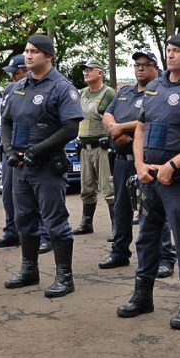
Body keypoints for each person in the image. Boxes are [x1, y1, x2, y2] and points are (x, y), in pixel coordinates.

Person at [115, 33, 180, 330]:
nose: (170, 55)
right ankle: (142, 296)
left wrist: (172, 165)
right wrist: (139, 164)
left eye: (177, 51)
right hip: (150, 177)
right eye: (169, 50)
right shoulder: (155, 86)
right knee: (147, 237)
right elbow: (141, 129)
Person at [0, 34, 84, 297]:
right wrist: (9, 148)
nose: (28, 55)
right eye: (26, 50)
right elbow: (6, 121)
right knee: (24, 219)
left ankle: (64, 278)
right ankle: (29, 270)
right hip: (20, 165)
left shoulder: (61, 87)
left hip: (47, 166)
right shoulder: (17, 87)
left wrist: (38, 149)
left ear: (48, 56)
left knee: (55, 221)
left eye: (34, 51)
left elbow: (71, 127)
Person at [98, 50, 175, 271]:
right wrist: (115, 130)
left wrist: (121, 128)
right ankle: (120, 252)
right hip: (122, 159)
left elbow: (151, 120)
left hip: (147, 161)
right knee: (121, 208)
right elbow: (107, 115)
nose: (140, 68)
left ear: (156, 69)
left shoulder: (158, 92)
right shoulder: (125, 92)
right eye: (137, 65)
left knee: (154, 210)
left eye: (145, 64)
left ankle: (164, 258)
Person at [0, 55, 51, 254]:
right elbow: (6, 120)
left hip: (31, 150)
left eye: (15, 73)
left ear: (25, 70)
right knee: (9, 195)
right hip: (9, 149)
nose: (12, 77)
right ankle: (11, 232)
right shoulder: (11, 89)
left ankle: (43, 236)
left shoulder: (41, 88)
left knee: (35, 198)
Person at [73, 59, 116, 236]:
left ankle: (117, 226)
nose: (85, 73)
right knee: (86, 187)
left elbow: (118, 118)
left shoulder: (109, 93)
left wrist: (110, 137)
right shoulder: (80, 93)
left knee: (109, 188)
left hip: (102, 147)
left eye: (90, 70)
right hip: (84, 147)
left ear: (100, 73)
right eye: (84, 70)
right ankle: (86, 223)